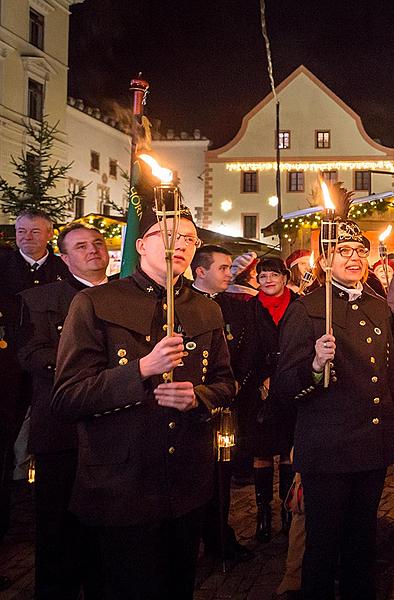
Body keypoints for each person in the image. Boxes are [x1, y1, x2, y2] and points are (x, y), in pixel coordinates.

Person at [51, 165, 236, 598]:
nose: (181, 244)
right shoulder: (95, 302)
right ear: (141, 245)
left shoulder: (207, 309)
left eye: (190, 238)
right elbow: (67, 398)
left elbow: (227, 383)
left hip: (186, 485)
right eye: (168, 234)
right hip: (121, 486)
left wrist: (199, 397)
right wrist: (140, 370)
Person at [271, 215, 394, 600]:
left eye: (359, 251)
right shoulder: (307, 309)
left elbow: (390, 378)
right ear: (325, 259)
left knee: (362, 544)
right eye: (342, 251)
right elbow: (284, 386)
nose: (353, 258)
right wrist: (314, 366)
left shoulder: (379, 308)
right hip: (328, 450)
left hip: (371, 446)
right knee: (323, 547)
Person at [17, 222, 109, 599]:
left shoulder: (127, 295)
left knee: (108, 527)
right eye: (81, 246)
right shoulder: (38, 299)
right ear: (66, 257)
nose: (93, 251)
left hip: (114, 430)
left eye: (98, 243)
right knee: (58, 528)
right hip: (62, 429)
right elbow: (30, 353)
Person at [0, 209, 68, 542]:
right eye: (21, 231)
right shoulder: (2, 267)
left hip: (49, 372)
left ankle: (42, 520)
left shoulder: (63, 271)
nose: (27, 237)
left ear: (50, 234)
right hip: (7, 372)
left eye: (35, 232)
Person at [189, 245, 254, 562]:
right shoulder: (179, 304)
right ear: (201, 271)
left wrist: (238, 380)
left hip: (226, 403)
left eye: (231, 268)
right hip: (190, 406)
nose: (230, 274)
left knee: (221, 474)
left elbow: (249, 349)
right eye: (223, 268)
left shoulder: (239, 308)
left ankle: (218, 536)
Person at [242, 257, 299, 542]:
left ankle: (289, 511)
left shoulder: (298, 305)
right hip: (261, 391)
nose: (268, 280)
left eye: (274, 275)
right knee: (262, 451)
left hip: (291, 387)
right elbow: (247, 349)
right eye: (262, 276)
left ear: (285, 277)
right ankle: (264, 512)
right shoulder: (250, 309)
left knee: (288, 450)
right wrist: (260, 378)